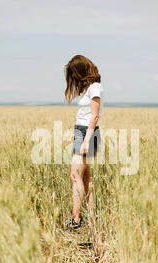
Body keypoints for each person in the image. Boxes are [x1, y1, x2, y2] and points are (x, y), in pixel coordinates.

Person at [64, 55, 103, 230]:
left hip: (87, 133)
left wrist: (86, 140)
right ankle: (92, 217)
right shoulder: (89, 87)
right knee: (85, 178)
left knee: (75, 176)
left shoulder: (95, 87)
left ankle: (76, 220)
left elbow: (94, 116)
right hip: (81, 132)